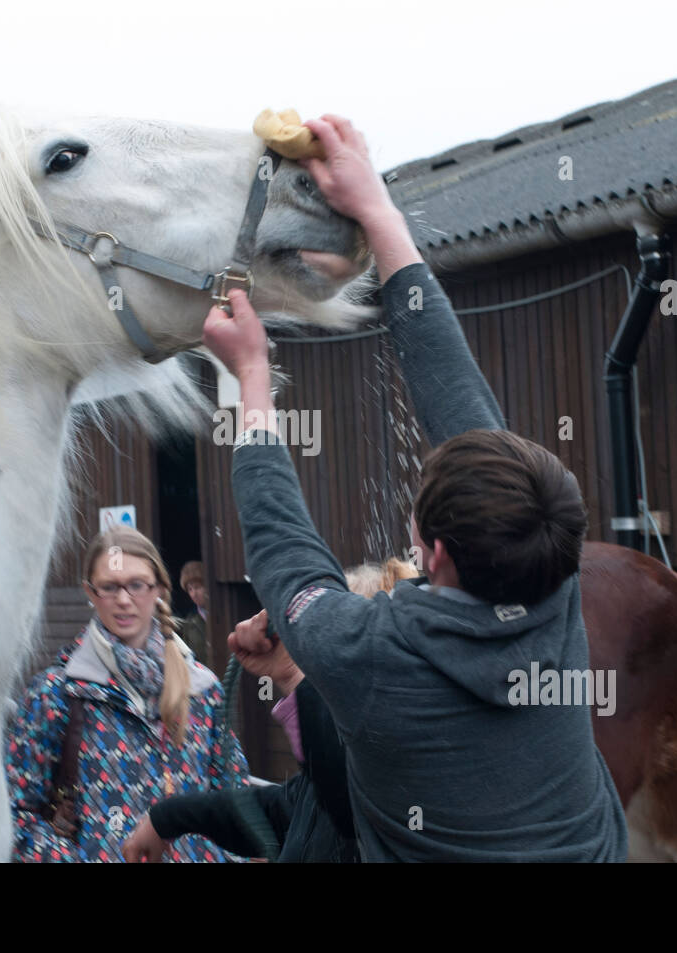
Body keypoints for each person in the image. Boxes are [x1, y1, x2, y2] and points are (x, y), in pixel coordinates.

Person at [199, 114, 628, 862]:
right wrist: (378, 211)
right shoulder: (556, 596)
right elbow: (460, 409)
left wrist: (252, 377)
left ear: (433, 554)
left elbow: (282, 554)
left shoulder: (369, 651)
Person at [121, 559, 409, 864]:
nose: (310, 657)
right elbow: (271, 810)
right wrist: (166, 817)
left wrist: (291, 677)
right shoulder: (327, 775)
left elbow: (344, 801)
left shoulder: (395, 774)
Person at [5, 526, 250, 862]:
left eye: (136, 585)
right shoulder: (55, 693)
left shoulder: (202, 690)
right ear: (90, 593)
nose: (123, 600)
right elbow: (15, 813)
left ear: (159, 590)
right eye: (109, 587)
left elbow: (236, 802)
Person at [177, 560, 211, 667]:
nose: (193, 594)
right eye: (190, 589)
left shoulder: (223, 614)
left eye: (197, 587)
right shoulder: (190, 623)